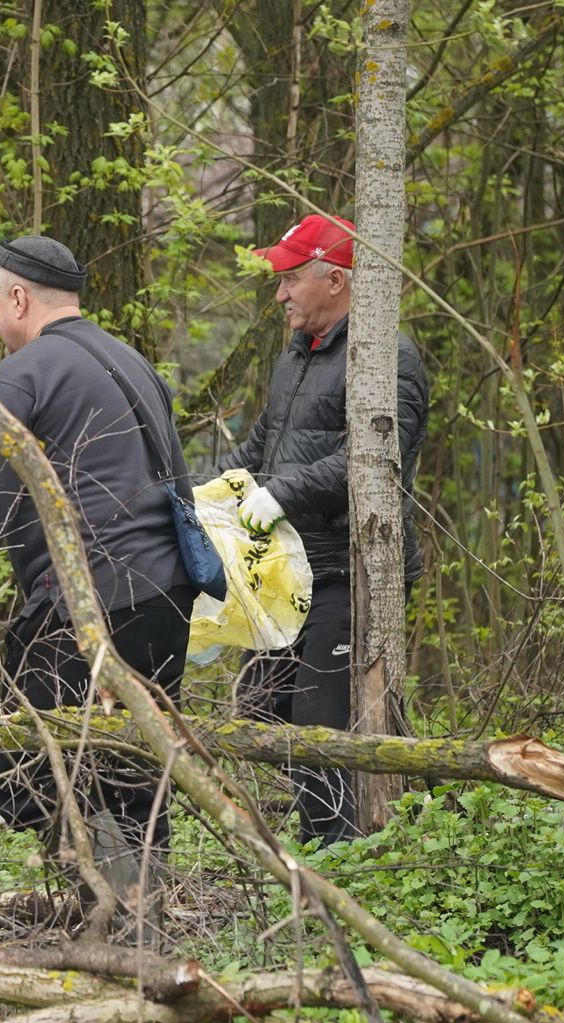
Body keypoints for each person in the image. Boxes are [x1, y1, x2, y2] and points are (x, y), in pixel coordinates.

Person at [0, 236, 198, 936]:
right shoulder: (133, 363)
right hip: (165, 595)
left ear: (20, 299)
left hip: (90, 605)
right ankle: (136, 915)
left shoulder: (24, 373)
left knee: (27, 768)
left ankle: (107, 921)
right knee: (136, 772)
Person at [219, 212, 429, 845]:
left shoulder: (385, 355)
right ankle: (335, 833)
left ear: (335, 280)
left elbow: (374, 458)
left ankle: (337, 859)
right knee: (261, 703)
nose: (279, 294)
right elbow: (265, 440)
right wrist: (211, 494)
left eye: (290, 279)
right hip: (290, 569)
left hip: (349, 567)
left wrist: (280, 493)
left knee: (319, 719)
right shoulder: (298, 354)